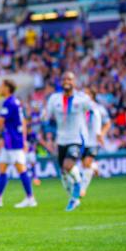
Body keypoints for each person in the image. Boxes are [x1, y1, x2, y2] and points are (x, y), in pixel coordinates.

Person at [0, 79, 36, 208]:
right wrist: (24, 139)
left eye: (1, 86)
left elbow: (0, 122)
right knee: (2, 167)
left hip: (14, 140)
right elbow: (23, 121)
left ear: (7, 88)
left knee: (20, 168)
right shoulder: (15, 102)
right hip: (11, 140)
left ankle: (30, 198)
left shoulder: (9, 102)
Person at [43, 72, 92, 211]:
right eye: (64, 79)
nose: (66, 81)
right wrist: (43, 116)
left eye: (69, 79)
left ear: (74, 81)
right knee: (63, 172)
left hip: (77, 138)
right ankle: (73, 198)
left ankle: (78, 187)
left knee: (68, 165)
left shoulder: (82, 99)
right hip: (61, 140)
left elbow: (92, 112)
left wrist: (90, 131)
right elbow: (47, 114)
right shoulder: (54, 99)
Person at [80, 88, 111, 197]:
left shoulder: (99, 108)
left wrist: (101, 133)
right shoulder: (80, 108)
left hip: (94, 140)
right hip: (82, 140)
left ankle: (82, 190)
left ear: (91, 96)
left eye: (86, 93)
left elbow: (107, 123)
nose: (84, 95)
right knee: (84, 165)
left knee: (86, 163)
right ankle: (94, 167)